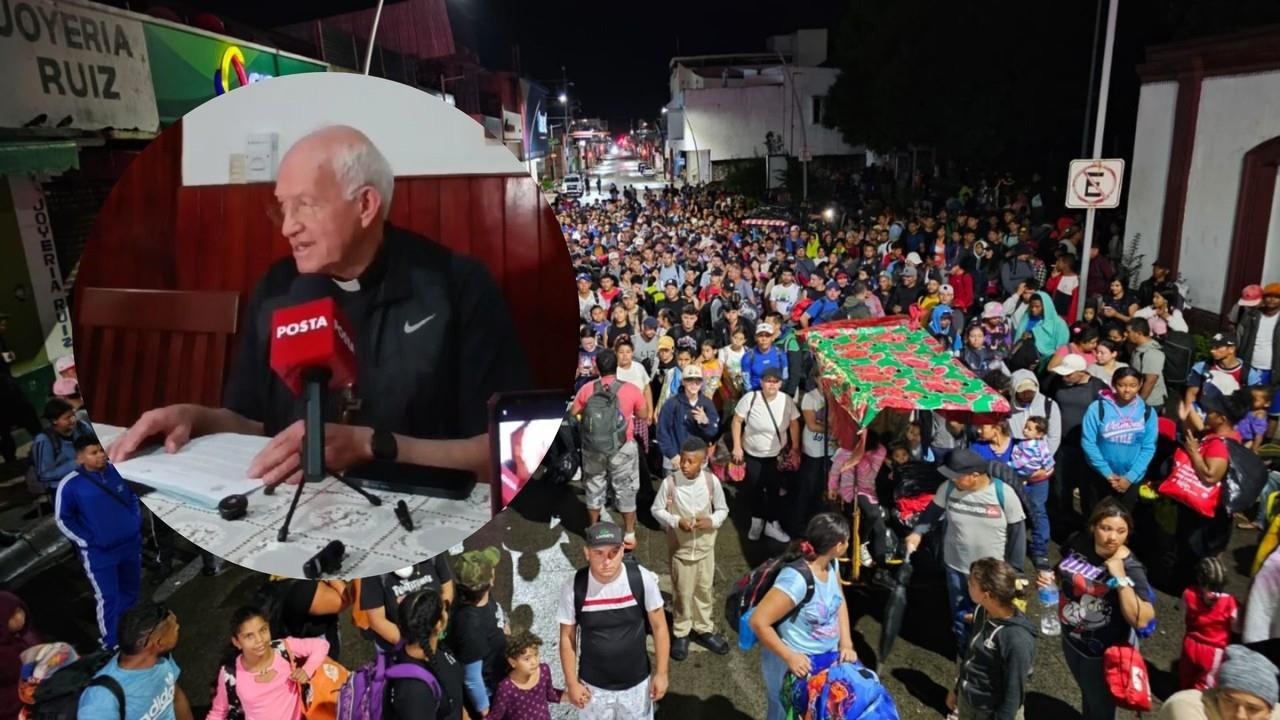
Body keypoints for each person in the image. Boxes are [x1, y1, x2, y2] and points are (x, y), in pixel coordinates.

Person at [108, 125, 531, 493]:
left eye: (306, 205)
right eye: (282, 207)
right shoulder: (279, 286)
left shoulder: (458, 286)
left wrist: (371, 445)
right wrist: (194, 418)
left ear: (365, 206)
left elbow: (503, 451)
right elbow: (256, 423)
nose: (289, 226)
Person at [905, 449, 1028, 655]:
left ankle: (993, 657)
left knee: (994, 618)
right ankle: (965, 654)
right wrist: (917, 533)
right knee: (961, 616)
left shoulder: (1003, 494)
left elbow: (1018, 534)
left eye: (957, 476)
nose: (953, 480)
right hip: (956, 567)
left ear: (975, 475)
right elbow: (930, 516)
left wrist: (1016, 572)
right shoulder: (948, 489)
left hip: (992, 575)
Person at [1043, 499, 1155, 720]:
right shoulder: (1078, 541)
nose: (1113, 537)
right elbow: (1063, 566)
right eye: (1106, 528)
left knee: (1101, 707)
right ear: (1093, 527)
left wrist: (1120, 578)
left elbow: (1141, 619)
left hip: (1102, 653)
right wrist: (1050, 580)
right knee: (1087, 694)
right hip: (1071, 639)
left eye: (1121, 531)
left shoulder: (1131, 567)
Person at [747, 512, 857, 720]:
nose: (849, 544)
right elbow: (758, 621)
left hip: (823, 662)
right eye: (847, 540)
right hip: (792, 666)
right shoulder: (796, 580)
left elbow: (839, 602)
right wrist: (790, 657)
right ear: (837, 546)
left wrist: (846, 643)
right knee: (783, 711)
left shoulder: (832, 565)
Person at [557, 522, 669, 720]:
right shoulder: (574, 587)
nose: (606, 561)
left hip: (637, 685)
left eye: (613, 553)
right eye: (598, 553)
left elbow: (659, 627)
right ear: (586, 553)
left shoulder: (641, 578)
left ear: (623, 551)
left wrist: (662, 673)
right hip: (593, 689)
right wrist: (572, 683)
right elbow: (567, 636)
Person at [53, 434, 142, 651]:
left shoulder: (118, 471)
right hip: (99, 555)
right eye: (94, 452)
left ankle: (130, 634)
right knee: (108, 598)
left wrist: (134, 522)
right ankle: (111, 643)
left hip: (129, 546)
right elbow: (63, 519)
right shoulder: (71, 485)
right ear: (79, 458)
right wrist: (89, 540)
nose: (101, 455)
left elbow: (133, 498)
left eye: (102, 450)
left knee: (131, 592)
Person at [650, 438, 730, 660]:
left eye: (691, 462)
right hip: (682, 552)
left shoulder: (711, 482)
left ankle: (704, 629)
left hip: (706, 550)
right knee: (682, 593)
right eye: (683, 460)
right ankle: (682, 632)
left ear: (703, 462)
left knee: (704, 591)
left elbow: (723, 509)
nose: (684, 465)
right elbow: (656, 510)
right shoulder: (670, 483)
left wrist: (711, 521)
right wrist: (676, 521)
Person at [571, 349, 648, 549]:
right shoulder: (630, 389)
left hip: (593, 447)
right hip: (622, 447)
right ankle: (629, 534)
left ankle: (593, 529)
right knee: (626, 489)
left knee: (594, 486)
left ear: (597, 366)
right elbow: (643, 414)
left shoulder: (587, 389)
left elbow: (574, 412)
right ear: (616, 366)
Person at [946, 558, 1036, 720]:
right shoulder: (982, 611)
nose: (967, 584)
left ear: (987, 595)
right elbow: (971, 656)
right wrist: (957, 690)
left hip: (991, 712)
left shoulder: (1016, 640)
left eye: (972, 583)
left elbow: (1013, 693)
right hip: (969, 702)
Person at [206, 606, 332, 720]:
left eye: (263, 630)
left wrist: (306, 670)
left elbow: (321, 645)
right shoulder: (230, 673)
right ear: (237, 642)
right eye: (249, 636)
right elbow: (218, 712)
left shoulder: (284, 648)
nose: (259, 640)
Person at [78, 602, 194, 720]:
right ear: (159, 643)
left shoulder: (161, 658)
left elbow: (176, 698)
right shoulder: (100, 700)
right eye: (174, 627)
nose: (178, 627)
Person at [732, 367, 801, 544]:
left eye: (775, 381)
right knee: (753, 487)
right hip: (753, 453)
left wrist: (795, 447)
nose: (771, 384)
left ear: (780, 383)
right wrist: (737, 446)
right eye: (768, 381)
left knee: (774, 489)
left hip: (776, 454)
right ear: (762, 382)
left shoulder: (786, 400)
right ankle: (756, 520)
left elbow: (794, 424)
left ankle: (772, 524)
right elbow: (737, 421)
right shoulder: (751, 398)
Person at [1080, 368, 1158, 516]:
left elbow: (1148, 447)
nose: (1127, 390)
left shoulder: (1147, 412)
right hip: (1099, 476)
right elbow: (1088, 442)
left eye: (1133, 385)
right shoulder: (1098, 408)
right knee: (1096, 518)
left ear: (1140, 384)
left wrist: (1130, 477)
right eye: (1122, 385)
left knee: (1123, 520)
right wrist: (1107, 473)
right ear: (1114, 385)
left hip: (1130, 479)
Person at [385, 587, 465, 719]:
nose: (447, 610)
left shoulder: (437, 648)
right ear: (438, 624)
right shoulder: (413, 692)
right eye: (443, 609)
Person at [448, 548, 508, 717]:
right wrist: (486, 711)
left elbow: (497, 612)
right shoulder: (470, 627)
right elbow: (472, 678)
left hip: (498, 670)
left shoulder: (481, 598)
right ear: (491, 579)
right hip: (491, 689)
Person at [358, 555, 455, 653]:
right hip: (398, 648)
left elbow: (447, 590)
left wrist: (438, 630)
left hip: (437, 639)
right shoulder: (374, 571)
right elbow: (377, 621)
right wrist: (411, 648)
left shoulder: (432, 553)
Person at [1160, 645, 1280, 720]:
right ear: (1217, 693)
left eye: (1252, 709)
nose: (1239, 715)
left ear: (1269, 712)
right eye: (1229, 701)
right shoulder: (1185, 706)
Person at [1179, 557, 1239, 691]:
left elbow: (1183, 614)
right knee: (1204, 688)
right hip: (1214, 652)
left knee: (1185, 679)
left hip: (1190, 644)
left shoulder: (1188, 593)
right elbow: (1237, 628)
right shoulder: (1230, 602)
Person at [487, 632, 566, 720]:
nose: (534, 662)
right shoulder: (506, 688)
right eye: (527, 659)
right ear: (512, 662)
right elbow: (495, 716)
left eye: (536, 654)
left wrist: (571, 696)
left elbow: (550, 694)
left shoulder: (543, 671)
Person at [1237, 283, 1280, 441]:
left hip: (1275, 371)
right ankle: (1244, 441)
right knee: (1249, 407)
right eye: (1269, 296)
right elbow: (1239, 338)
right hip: (1252, 368)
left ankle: (1265, 447)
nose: (1272, 300)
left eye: (1276, 297)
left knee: (1273, 411)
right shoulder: (1252, 316)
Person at [29, 398, 93, 497]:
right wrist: (76, 463)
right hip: (63, 487)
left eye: (73, 415)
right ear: (54, 421)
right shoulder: (44, 440)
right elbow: (44, 475)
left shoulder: (82, 427)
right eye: (67, 418)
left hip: (90, 477)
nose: (73, 420)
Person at [0, 592, 36, 720]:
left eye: (20, 610)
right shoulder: (4, 654)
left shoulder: (24, 637)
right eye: (13, 615)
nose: (20, 616)